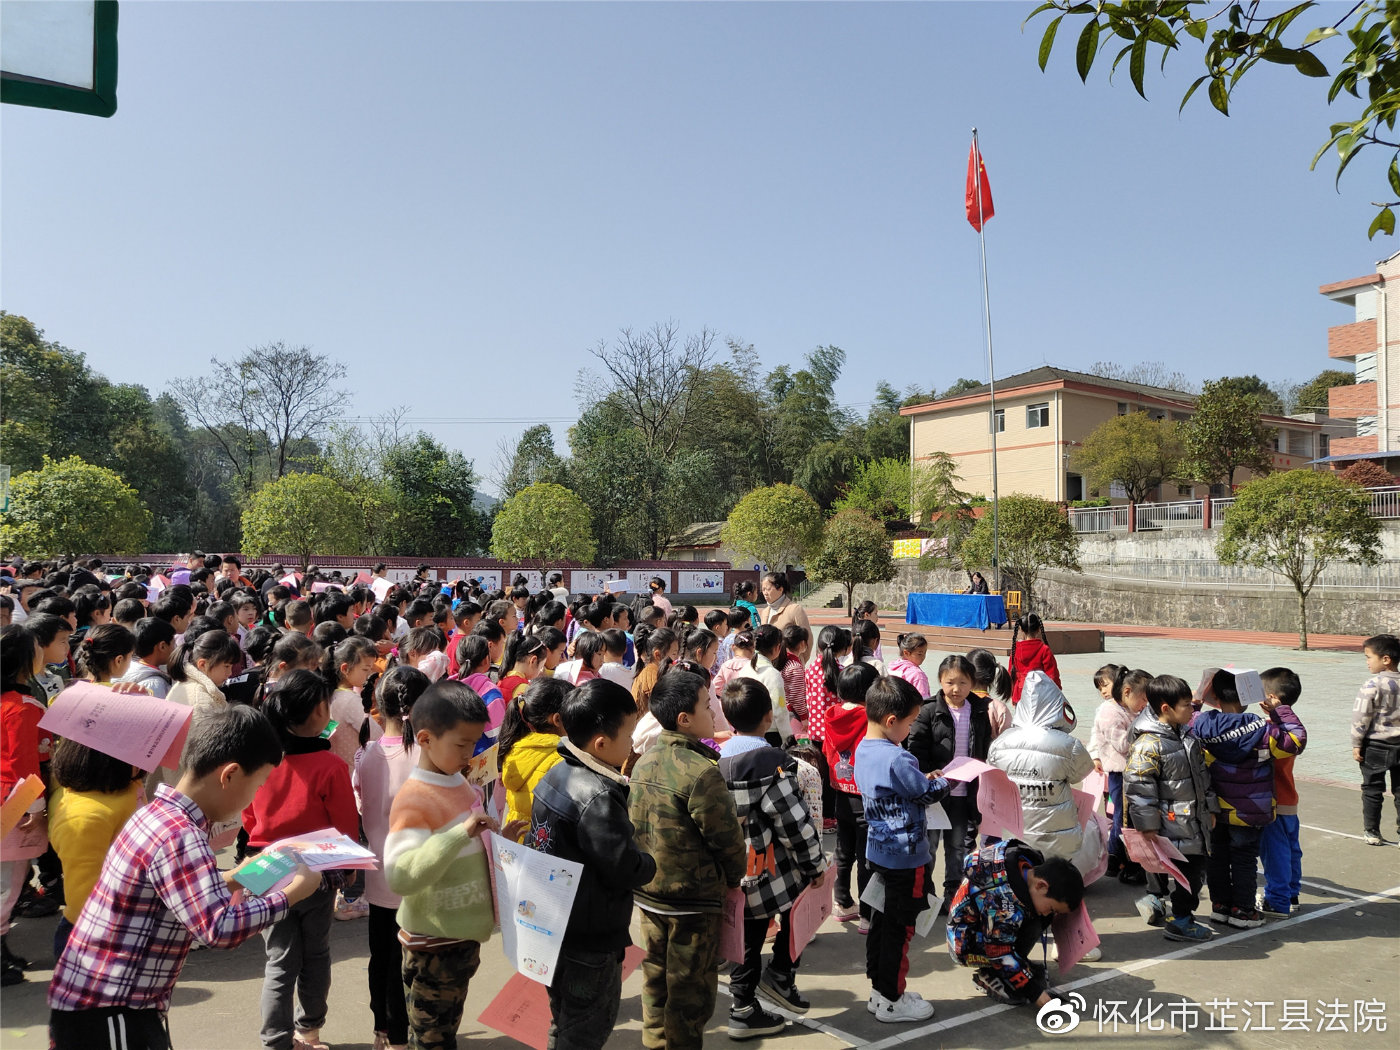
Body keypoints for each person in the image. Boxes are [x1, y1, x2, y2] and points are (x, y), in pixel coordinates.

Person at [47, 706, 322, 1050]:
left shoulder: (160, 816)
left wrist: (250, 872)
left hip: (106, 1004)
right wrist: (293, 893)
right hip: (112, 1011)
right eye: (259, 784)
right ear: (230, 775)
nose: (255, 796)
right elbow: (218, 927)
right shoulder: (180, 835)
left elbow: (185, 891)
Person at [384, 680, 523, 1050]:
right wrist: (460, 833)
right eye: (461, 745)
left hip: (458, 941)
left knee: (441, 1034)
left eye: (473, 743)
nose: (470, 753)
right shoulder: (415, 798)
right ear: (426, 739)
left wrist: (499, 839)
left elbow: (467, 846)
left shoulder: (458, 783)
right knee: (432, 1041)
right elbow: (400, 874)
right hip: (433, 945)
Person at [530, 679, 656, 1050]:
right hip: (589, 936)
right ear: (601, 743)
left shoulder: (556, 771)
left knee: (565, 1019)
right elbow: (624, 867)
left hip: (556, 925)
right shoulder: (598, 795)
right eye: (629, 734)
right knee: (586, 1028)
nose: (633, 744)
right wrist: (649, 861)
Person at [628, 671, 746, 1050]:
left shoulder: (644, 761)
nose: (714, 713)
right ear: (684, 719)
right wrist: (734, 876)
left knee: (656, 984)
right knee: (689, 997)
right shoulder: (700, 773)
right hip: (691, 903)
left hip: (649, 894)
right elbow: (727, 841)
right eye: (707, 707)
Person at [244, 671, 361, 1050]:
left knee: (279, 959)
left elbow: (247, 817)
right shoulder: (331, 767)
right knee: (315, 953)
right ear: (315, 713)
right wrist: (351, 873)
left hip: (263, 867)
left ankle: (275, 1041)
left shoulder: (261, 762)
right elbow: (346, 828)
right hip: (315, 872)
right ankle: (308, 1030)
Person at [718, 678, 825, 1037]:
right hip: (773, 869)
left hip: (735, 866)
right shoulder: (772, 763)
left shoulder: (716, 760)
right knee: (798, 913)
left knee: (745, 937)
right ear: (768, 716)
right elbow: (793, 822)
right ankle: (779, 974)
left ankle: (743, 1007)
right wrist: (815, 865)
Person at [855, 675, 948, 1023]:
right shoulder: (899, 759)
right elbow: (924, 794)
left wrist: (925, 780)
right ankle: (893, 999)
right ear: (892, 721)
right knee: (901, 927)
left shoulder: (864, 748)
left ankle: (880, 992)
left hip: (879, 851)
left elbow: (908, 787)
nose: (910, 731)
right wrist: (944, 781)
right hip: (907, 856)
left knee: (882, 922)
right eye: (909, 723)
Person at [354, 666, 432, 1050]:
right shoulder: (427, 755)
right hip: (419, 875)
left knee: (381, 957)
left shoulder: (366, 754)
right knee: (414, 962)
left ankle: (383, 1030)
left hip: (379, 871)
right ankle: (406, 1034)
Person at [1191, 668, 1305, 930]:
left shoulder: (1201, 725)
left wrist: (1198, 698)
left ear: (1215, 697)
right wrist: (1279, 711)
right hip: (1249, 809)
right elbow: (1296, 739)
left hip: (1215, 808)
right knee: (1243, 860)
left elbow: (1186, 717)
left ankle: (1220, 906)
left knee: (1216, 857)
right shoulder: (1262, 730)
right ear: (1247, 696)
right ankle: (1243, 910)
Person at [1124, 675, 1215, 942]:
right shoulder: (1148, 744)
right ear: (1166, 708)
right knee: (1187, 874)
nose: (1192, 709)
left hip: (1192, 820)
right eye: (1187, 705)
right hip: (1169, 823)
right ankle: (1181, 920)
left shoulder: (1186, 735)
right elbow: (1139, 786)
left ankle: (1180, 914)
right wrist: (1148, 825)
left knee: (1195, 872)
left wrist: (1210, 808)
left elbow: (1202, 775)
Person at [987, 672, 1100, 877]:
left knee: (1021, 877)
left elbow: (993, 773)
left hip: (1015, 829)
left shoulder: (1001, 742)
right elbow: (1081, 773)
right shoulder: (1068, 745)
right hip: (1057, 833)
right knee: (1055, 879)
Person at [946, 844, 1081, 1008]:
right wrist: (1034, 991)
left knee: (1035, 917)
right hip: (966, 942)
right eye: (1051, 908)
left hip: (983, 927)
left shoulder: (1023, 862)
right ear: (1041, 885)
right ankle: (989, 974)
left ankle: (1014, 967)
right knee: (1029, 926)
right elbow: (998, 950)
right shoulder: (1003, 901)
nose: (1048, 913)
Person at [47, 736, 145, 958]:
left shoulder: (128, 787)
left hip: (127, 916)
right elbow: (83, 891)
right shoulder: (85, 817)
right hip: (93, 932)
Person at [907, 655, 991, 904]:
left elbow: (984, 748)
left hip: (964, 794)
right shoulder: (929, 710)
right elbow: (915, 747)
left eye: (963, 683)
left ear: (972, 683)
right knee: (929, 847)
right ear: (940, 681)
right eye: (950, 682)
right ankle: (926, 894)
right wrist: (926, 772)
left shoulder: (979, 710)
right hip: (935, 794)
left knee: (957, 847)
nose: (956, 689)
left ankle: (952, 894)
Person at [1, 624, 46, 984]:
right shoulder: (22, 707)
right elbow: (24, 765)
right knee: (8, 883)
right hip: (12, 805)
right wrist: (35, 808)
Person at [824, 662, 880, 928]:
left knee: (843, 852)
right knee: (866, 857)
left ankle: (843, 902)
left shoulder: (831, 714)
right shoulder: (871, 717)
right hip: (865, 795)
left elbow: (827, 750)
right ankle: (868, 915)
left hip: (840, 792)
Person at [1088, 665, 1149, 882]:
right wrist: (1145, 726)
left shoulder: (1128, 708)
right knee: (1124, 820)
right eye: (1143, 700)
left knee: (1127, 817)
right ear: (1126, 691)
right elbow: (1122, 744)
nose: (1145, 705)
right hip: (1120, 774)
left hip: (1131, 772)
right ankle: (1123, 860)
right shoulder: (1109, 711)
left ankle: (1117, 859)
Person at [1258, 667, 1306, 918]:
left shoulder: (1272, 732)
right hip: (1288, 800)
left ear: (1272, 697)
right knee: (1290, 850)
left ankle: (1277, 900)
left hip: (1273, 801)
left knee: (1275, 852)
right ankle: (1292, 893)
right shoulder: (1290, 727)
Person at [498, 677, 572, 828]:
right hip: (543, 843)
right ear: (557, 719)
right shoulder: (561, 758)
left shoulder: (516, 747)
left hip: (516, 841)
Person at [1353, 632, 1400, 846]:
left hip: (1375, 745)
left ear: (1386, 659)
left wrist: (1356, 743)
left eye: (1368, 657)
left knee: (1372, 789)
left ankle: (1372, 831)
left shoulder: (1373, 684)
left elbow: (1361, 716)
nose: (1367, 663)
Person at [736, 624, 789, 742]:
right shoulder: (773, 674)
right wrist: (788, 737)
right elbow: (780, 711)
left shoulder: (745, 669)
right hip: (770, 733)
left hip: (745, 731)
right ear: (778, 647)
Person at [116, 617, 178, 698]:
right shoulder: (155, 685)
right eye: (174, 644)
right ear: (162, 646)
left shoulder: (128, 668)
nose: (176, 648)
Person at [1008, 613, 1060, 703]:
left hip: (1020, 694)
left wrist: (1012, 692)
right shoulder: (1044, 650)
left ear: (1020, 629)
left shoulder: (1015, 649)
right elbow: (1052, 676)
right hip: (1040, 695)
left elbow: (1010, 673)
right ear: (1039, 629)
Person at [759, 572, 810, 637]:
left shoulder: (795, 610)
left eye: (768, 589)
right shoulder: (765, 612)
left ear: (780, 589)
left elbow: (807, 639)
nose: (765, 593)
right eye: (763, 589)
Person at [888, 633, 931, 699]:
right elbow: (923, 700)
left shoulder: (892, 667)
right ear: (906, 653)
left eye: (925, 653)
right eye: (920, 654)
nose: (923, 657)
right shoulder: (917, 675)